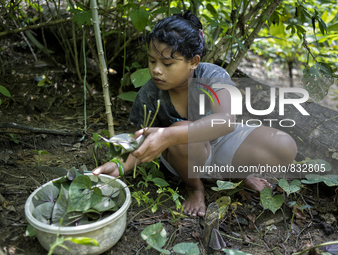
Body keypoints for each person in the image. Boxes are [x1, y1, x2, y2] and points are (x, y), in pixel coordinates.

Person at [93, 11, 297, 217]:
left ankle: (238, 175)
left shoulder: (212, 75)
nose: (156, 70)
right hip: (185, 156)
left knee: (284, 146)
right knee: (181, 133)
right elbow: (140, 141)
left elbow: (226, 121)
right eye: (152, 61)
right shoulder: (149, 95)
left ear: (193, 61)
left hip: (223, 141)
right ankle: (195, 187)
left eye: (167, 63)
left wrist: (166, 135)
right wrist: (120, 166)